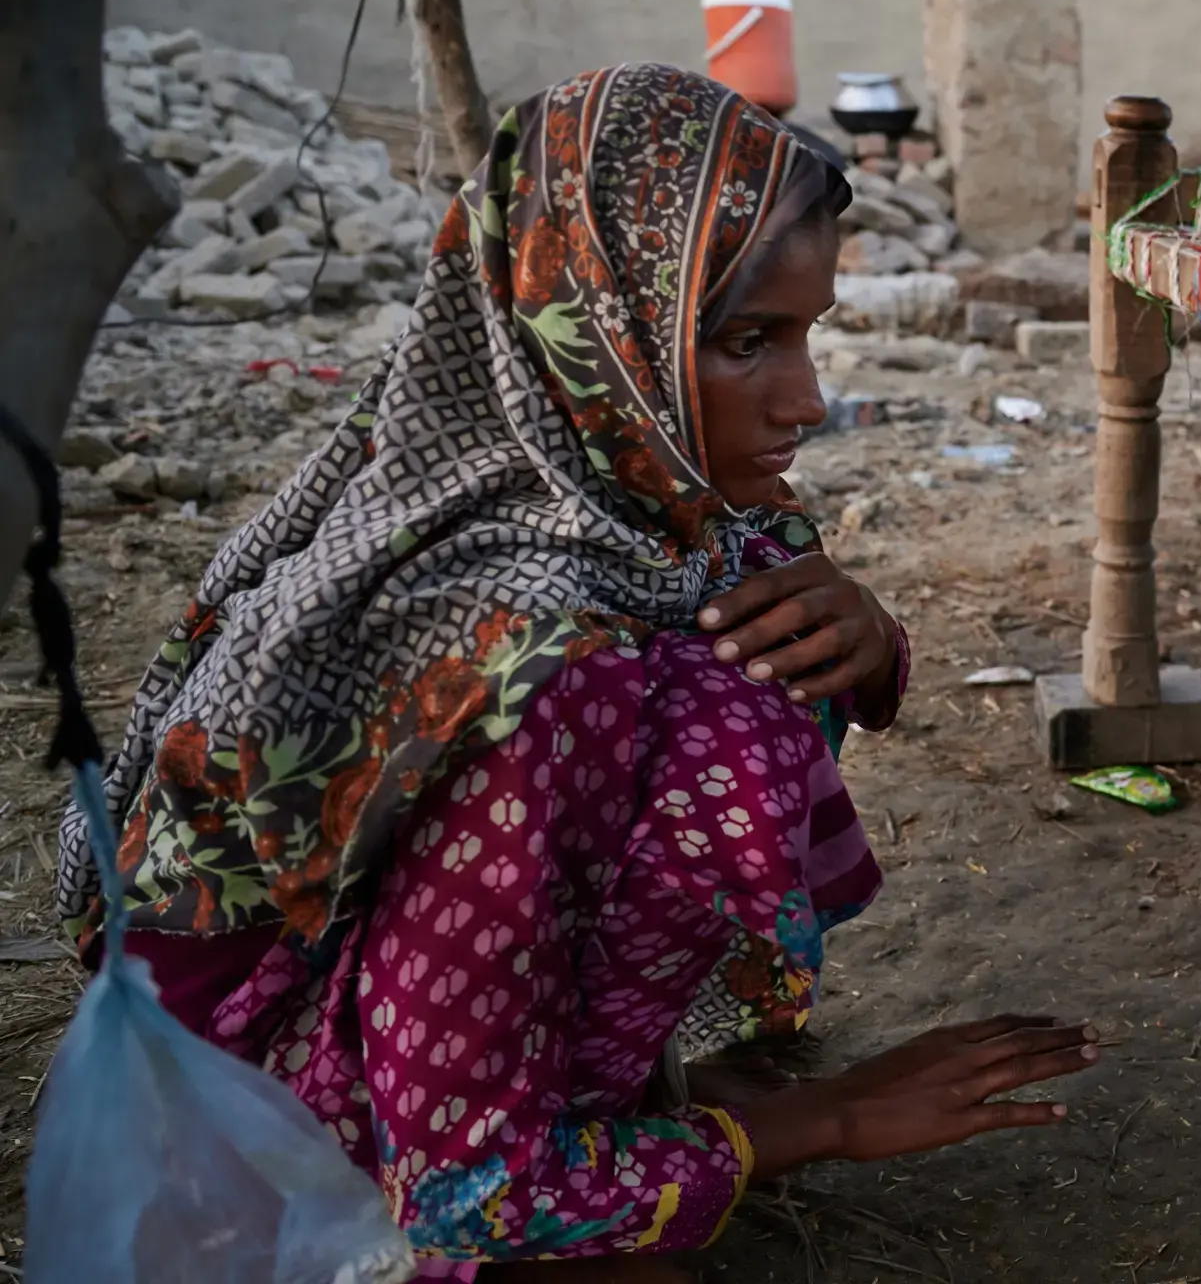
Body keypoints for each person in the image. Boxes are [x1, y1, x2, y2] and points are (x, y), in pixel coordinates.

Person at [53, 65, 1098, 1281]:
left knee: (737, 645)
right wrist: (826, 1122)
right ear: (604, 339)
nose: (807, 400)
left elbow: (796, 654)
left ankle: (585, 1098)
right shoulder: (535, 664)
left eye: (808, 333)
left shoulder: (638, 522)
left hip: (405, 1060)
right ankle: (578, 1127)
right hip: (288, 1164)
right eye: (747, 341)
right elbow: (460, 1193)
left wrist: (868, 638)